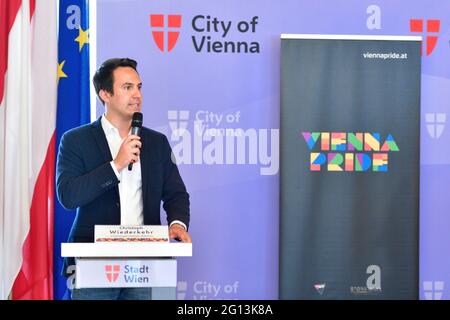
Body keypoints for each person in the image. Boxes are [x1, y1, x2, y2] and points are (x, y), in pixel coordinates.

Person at [56, 58, 191, 300]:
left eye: (139, 87)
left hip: (147, 264)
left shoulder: (157, 142)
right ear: (105, 94)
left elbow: (176, 194)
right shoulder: (75, 140)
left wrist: (178, 224)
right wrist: (116, 165)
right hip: (93, 262)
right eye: (127, 87)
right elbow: (68, 195)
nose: (137, 94)